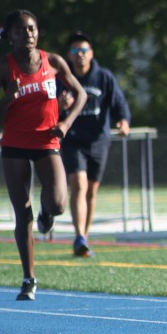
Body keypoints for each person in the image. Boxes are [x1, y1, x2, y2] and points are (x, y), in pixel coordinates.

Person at [0, 9, 87, 301]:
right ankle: (29, 279)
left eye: (32, 29)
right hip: (15, 144)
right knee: (21, 211)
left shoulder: (53, 62)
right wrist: (8, 97)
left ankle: (46, 213)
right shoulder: (2, 68)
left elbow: (81, 95)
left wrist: (65, 123)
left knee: (59, 204)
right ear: (10, 36)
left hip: (46, 141)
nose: (28, 34)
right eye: (21, 30)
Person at [56, 31, 131, 257]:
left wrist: (124, 121)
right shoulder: (62, 79)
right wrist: (60, 105)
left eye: (83, 50)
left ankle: (84, 239)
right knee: (78, 184)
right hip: (73, 140)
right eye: (75, 51)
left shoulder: (104, 77)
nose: (80, 55)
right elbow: (49, 109)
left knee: (91, 190)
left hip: (98, 141)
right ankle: (79, 235)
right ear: (69, 55)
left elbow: (120, 104)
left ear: (91, 53)